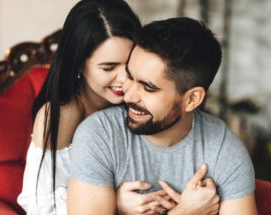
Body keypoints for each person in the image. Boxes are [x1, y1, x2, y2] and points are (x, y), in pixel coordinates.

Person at [67, 17, 258, 215]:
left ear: (192, 99)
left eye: (148, 87)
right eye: (130, 77)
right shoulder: (99, 135)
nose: (129, 95)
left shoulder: (223, 149)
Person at [16, 0, 174, 214]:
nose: (123, 79)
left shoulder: (143, 98)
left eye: (129, 65)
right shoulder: (60, 115)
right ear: (79, 63)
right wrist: (113, 203)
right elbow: (40, 208)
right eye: (108, 67)